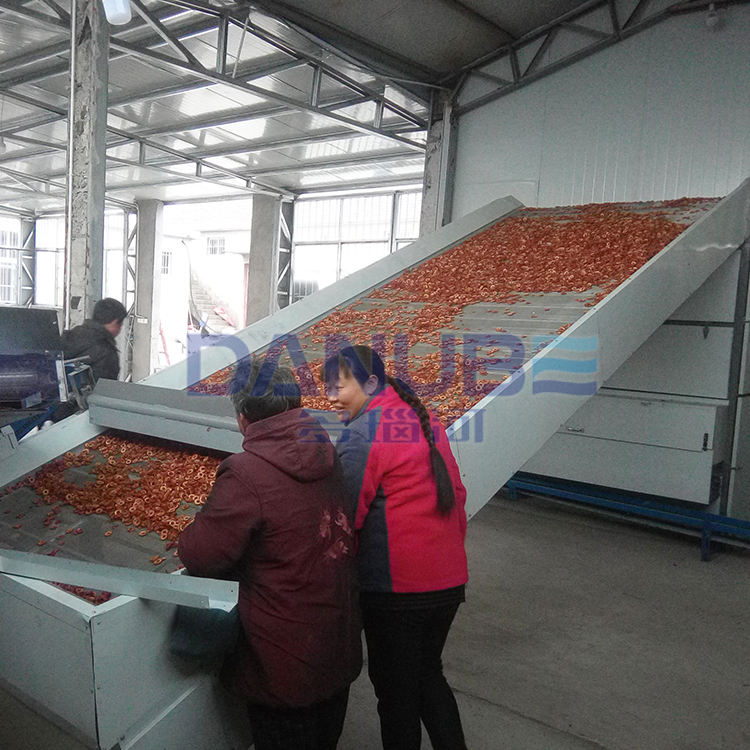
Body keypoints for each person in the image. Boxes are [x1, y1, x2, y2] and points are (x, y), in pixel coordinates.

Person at [178, 359, 362, 750]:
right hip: (335, 639)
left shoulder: (246, 472)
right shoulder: (324, 448)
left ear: (243, 419)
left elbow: (200, 554)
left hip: (284, 656)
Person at [322, 345, 469, 750]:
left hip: (397, 589)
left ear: (371, 383)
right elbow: (457, 495)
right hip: (448, 582)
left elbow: (345, 517)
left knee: (396, 694)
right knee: (428, 676)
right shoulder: (426, 420)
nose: (332, 397)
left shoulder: (363, 434)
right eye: (329, 387)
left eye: (341, 387)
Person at [61, 297, 127, 381]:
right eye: (120, 324)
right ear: (115, 322)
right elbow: (106, 386)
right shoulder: (107, 352)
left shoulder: (71, 335)